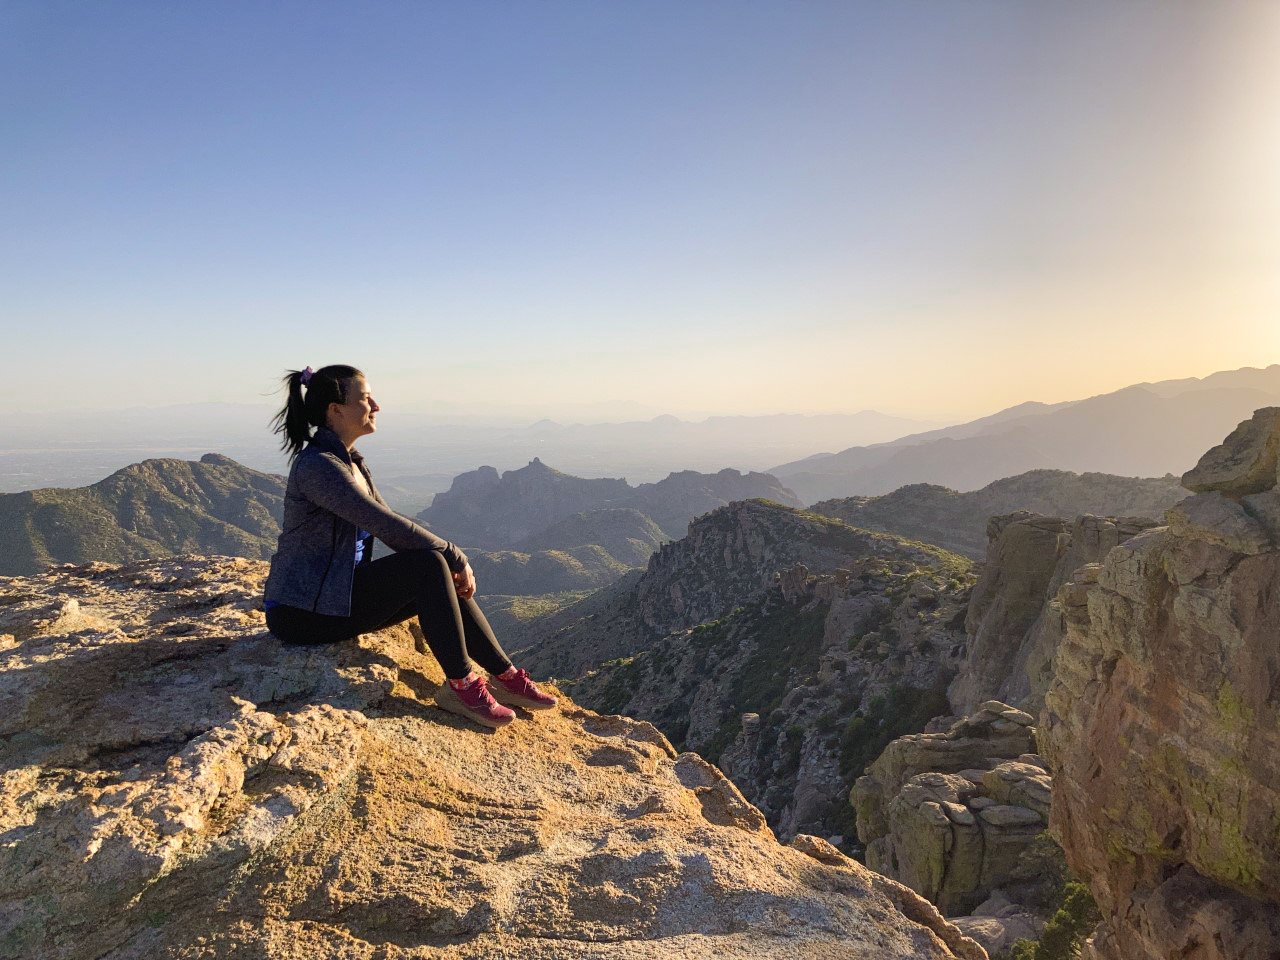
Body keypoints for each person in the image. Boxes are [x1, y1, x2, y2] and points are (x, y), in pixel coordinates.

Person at [262, 364, 556, 729]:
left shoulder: (350, 463)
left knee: (434, 570)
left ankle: (504, 675)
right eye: (365, 398)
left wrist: (447, 560)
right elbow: (383, 524)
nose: (376, 406)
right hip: (301, 612)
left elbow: (394, 526)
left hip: (337, 597)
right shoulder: (318, 467)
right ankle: (461, 686)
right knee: (429, 566)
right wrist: (453, 555)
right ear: (336, 410)